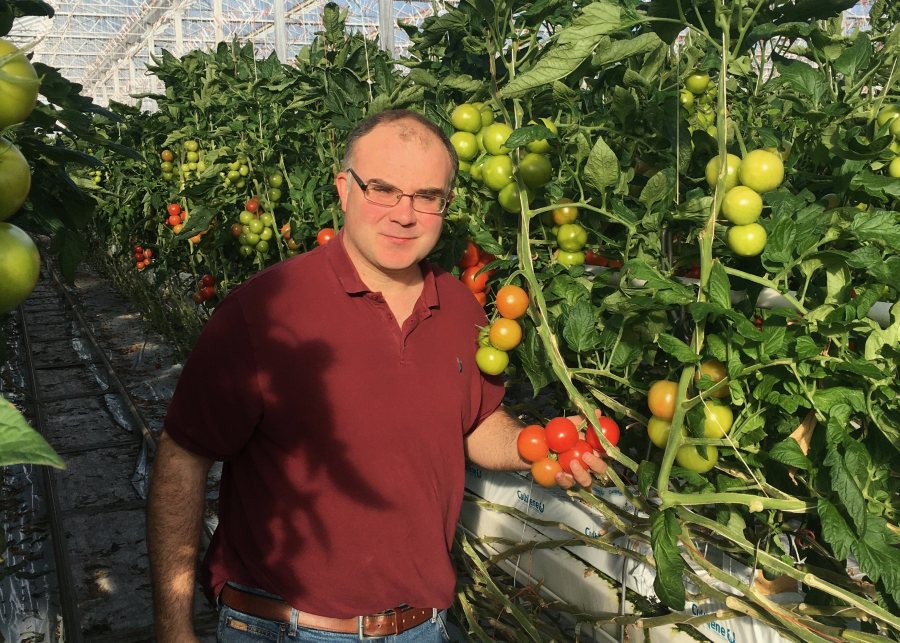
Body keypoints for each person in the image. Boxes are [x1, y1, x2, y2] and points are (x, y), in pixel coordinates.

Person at [146, 109, 607, 643]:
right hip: (284, 628)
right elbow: (183, 455)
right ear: (344, 189)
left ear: (446, 206)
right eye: (383, 189)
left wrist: (539, 449)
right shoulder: (265, 311)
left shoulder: (460, 309)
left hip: (419, 626)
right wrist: (172, 626)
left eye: (427, 196)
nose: (404, 214)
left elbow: (475, 423)